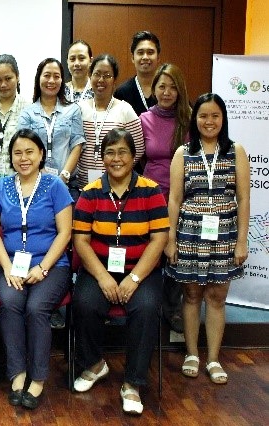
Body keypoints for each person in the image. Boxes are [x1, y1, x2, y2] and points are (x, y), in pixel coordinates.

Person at [72, 128, 169, 416]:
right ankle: (94, 365)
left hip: (141, 271)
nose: (116, 159)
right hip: (99, 268)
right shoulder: (89, 194)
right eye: (110, 152)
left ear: (134, 156)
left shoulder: (151, 191)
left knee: (148, 307)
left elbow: (159, 239)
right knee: (85, 303)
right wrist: (102, 276)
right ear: (102, 158)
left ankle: (133, 383)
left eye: (122, 152)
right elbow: (81, 241)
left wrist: (135, 277)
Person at [0, 129, 73, 409]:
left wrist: (43, 267)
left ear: (41, 155)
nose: (23, 158)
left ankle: (37, 378)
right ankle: (17, 373)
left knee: (36, 308)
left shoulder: (55, 186)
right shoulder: (0, 187)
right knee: (10, 303)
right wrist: (8, 268)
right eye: (17, 153)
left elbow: (65, 233)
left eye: (29, 152)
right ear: (10, 157)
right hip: (12, 264)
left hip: (51, 265)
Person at [165, 93, 249, 386]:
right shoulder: (183, 153)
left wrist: (241, 241)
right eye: (203, 116)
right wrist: (171, 238)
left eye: (214, 116)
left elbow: (243, 198)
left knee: (217, 297)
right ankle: (191, 354)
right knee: (191, 295)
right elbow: (174, 199)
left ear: (223, 119)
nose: (209, 121)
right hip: (189, 234)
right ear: (194, 119)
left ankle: (213, 358)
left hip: (224, 234)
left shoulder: (235, 151)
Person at [139, 63, 191, 333]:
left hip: (184, 196)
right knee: (152, 250)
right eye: (162, 86)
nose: (167, 92)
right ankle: (147, 303)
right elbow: (136, 158)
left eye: (172, 87)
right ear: (154, 89)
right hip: (152, 195)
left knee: (176, 252)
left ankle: (171, 307)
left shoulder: (190, 119)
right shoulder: (144, 119)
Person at [18, 58, 86, 200]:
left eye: (56, 76)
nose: (51, 81)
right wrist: (42, 177)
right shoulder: (27, 113)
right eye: (47, 75)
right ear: (39, 78)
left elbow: (77, 145)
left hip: (67, 184)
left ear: (62, 80)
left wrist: (64, 176)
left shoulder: (73, 110)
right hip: (34, 182)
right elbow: (24, 146)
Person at [77, 54, 144, 189]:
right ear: (90, 77)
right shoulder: (80, 108)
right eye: (97, 74)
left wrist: (119, 169)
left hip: (116, 186)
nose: (101, 79)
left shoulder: (125, 110)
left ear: (114, 81)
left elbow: (139, 148)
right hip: (82, 187)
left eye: (107, 75)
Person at [0, 54, 30, 182]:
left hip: (19, 178)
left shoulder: (29, 109)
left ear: (17, 77)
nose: (3, 84)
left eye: (8, 78)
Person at [114, 31, 161, 116]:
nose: (145, 57)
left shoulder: (167, 89)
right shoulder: (122, 92)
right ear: (132, 58)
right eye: (140, 52)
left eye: (150, 52)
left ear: (158, 57)